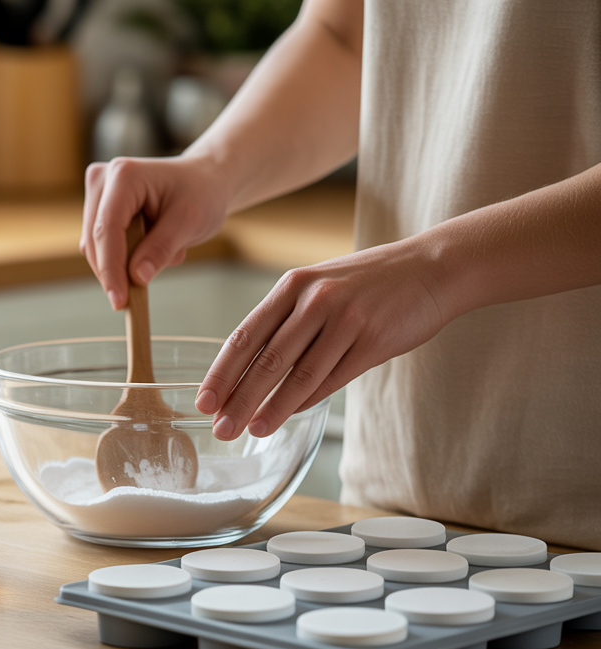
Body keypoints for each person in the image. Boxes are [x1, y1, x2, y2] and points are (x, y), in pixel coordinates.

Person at [80, 0, 601, 547]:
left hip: (581, 503)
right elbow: (346, 39)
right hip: (399, 495)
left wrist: (436, 269)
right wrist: (213, 167)